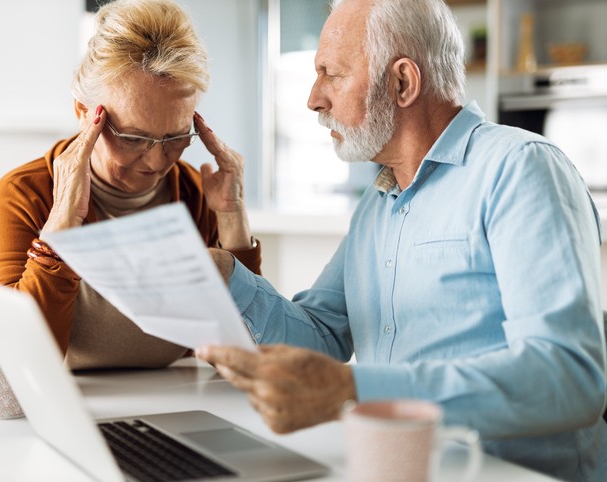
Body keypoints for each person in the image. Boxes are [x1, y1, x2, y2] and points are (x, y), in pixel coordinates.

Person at [197, 0, 607, 480]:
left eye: (331, 73)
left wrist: (352, 387)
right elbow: (320, 339)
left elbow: (569, 376)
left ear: (403, 82)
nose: (313, 98)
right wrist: (225, 273)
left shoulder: (520, 169)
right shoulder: (379, 202)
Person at [0, 0, 261, 373]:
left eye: (176, 137)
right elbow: (14, 361)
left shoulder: (197, 193)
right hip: (43, 403)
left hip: (160, 402)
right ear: (84, 113)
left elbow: (248, 354)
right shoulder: (24, 193)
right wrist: (62, 227)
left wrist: (233, 223)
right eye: (133, 138)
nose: (156, 162)